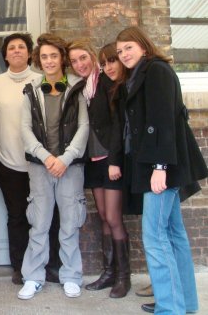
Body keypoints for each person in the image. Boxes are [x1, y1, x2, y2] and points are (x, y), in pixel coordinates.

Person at [116, 26, 207, 314]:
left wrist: (160, 167)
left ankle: (169, 309)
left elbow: (162, 121)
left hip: (162, 167)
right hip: (160, 165)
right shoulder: (141, 74)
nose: (123, 54)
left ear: (143, 45)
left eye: (128, 47)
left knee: (154, 237)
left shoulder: (156, 71)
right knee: (173, 233)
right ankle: (185, 303)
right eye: (119, 51)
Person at [18, 33, 88, 300]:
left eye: (53, 56)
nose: (48, 61)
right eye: (44, 56)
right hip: (40, 166)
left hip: (70, 167)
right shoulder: (31, 90)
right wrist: (46, 157)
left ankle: (71, 276)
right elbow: (24, 129)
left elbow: (84, 126)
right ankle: (33, 277)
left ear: (62, 59)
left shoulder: (77, 88)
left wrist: (65, 158)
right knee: (39, 223)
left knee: (70, 224)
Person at [68, 39, 129, 298]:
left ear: (92, 56)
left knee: (114, 217)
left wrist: (115, 160)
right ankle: (108, 273)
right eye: (74, 61)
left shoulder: (107, 83)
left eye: (83, 58)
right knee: (103, 216)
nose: (79, 64)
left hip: (110, 159)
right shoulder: (81, 88)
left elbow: (118, 124)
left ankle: (123, 278)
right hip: (91, 161)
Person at [0, 33, 38, 285]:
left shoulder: (41, 80)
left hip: (40, 162)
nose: (16, 51)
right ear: (5, 55)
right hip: (7, 160)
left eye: (21, 47)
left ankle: (46, 263)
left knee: (44, 215)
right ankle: (20, 267)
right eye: (11, 48)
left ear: (29, 53)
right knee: (16, 215)